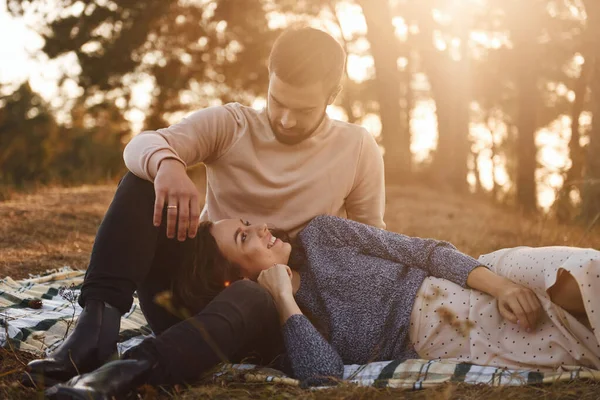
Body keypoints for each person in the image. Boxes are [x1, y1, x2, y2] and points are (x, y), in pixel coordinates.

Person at [25, 26, 386, 388]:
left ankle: (122, 378)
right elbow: (142, 146)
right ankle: (94, 334)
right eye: (278, 101)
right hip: (190, 295)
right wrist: (168, 165)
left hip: (272, 314)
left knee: (253, 293)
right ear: (269, 79)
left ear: (333, 94)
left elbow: (373, 244)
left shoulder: (356, 147)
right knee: (143, 180)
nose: (286, 119)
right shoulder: (233, 124)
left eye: (303, 109)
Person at [46, 215, 600, 398]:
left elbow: (423, 251)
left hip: (480, 276)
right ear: (236, 280)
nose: (262, 227)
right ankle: (122, 373)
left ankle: (121, 369)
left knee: (585, 275)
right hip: (452, 335)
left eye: (249, 224)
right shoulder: (280, 325)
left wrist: (499, 284)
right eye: (246, 238)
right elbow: (324, 377)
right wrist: (284, 298)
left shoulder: (323, 233)